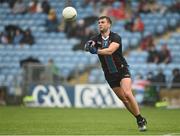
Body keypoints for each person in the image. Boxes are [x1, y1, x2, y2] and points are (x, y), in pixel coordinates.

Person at [84, 16, 147, 131]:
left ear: (109, 25)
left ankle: (140, 120)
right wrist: (87, 46)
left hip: (122, 69)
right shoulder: (96, 38)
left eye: (102, 22)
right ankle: (139, 117)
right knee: (124, 99)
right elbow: (88, 45)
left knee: (128, 93)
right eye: (98, 23)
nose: (100, 24)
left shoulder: (115, 37)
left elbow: (110, 51)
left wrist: (96, 51)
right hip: (109, 74)